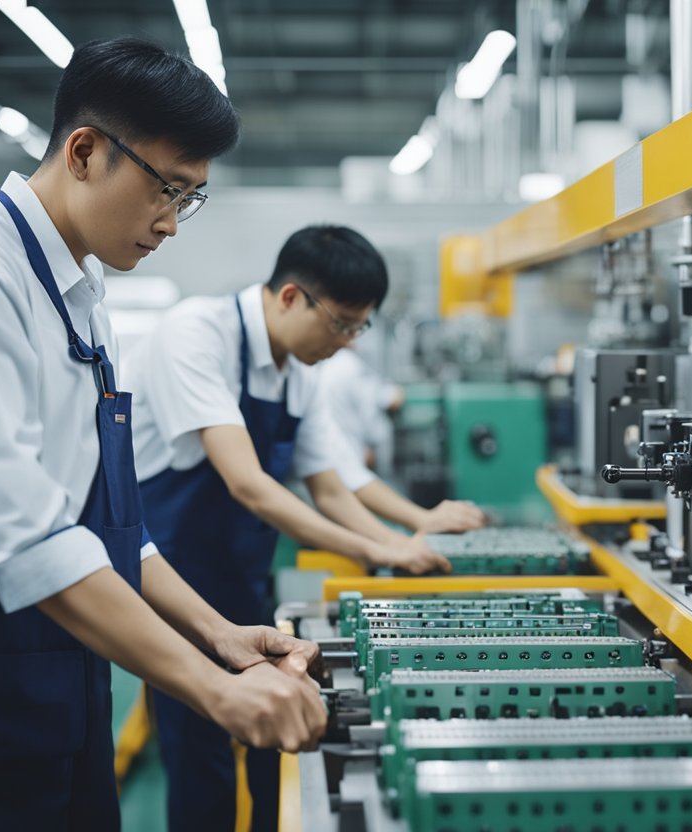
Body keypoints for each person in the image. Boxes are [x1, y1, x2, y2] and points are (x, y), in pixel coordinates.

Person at [0, 38, 326, 832]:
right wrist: (210, 691)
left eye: (191, 198)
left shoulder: (80, 291)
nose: (173, 223)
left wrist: (217, 638)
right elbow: (24, 534)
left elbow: (103, 528)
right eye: (166, 190)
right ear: (84, 152)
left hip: (64, 677)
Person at [127, 224, 455, 830]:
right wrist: (375, 547)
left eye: (360, 327)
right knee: (199, 751)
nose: (349, 341)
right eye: (341, 323)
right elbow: (246, 484)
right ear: (290, 297)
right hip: (174, 580)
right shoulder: (197, 335)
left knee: (272, 742)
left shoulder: (299, 366)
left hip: (243, 576)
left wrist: (400, 543)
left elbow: (331, 485)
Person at [319, 344, 486, 533]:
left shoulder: (326, 368)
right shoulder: (349, 367)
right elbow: (387, 401)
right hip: (351, 464)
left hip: (345, 467)